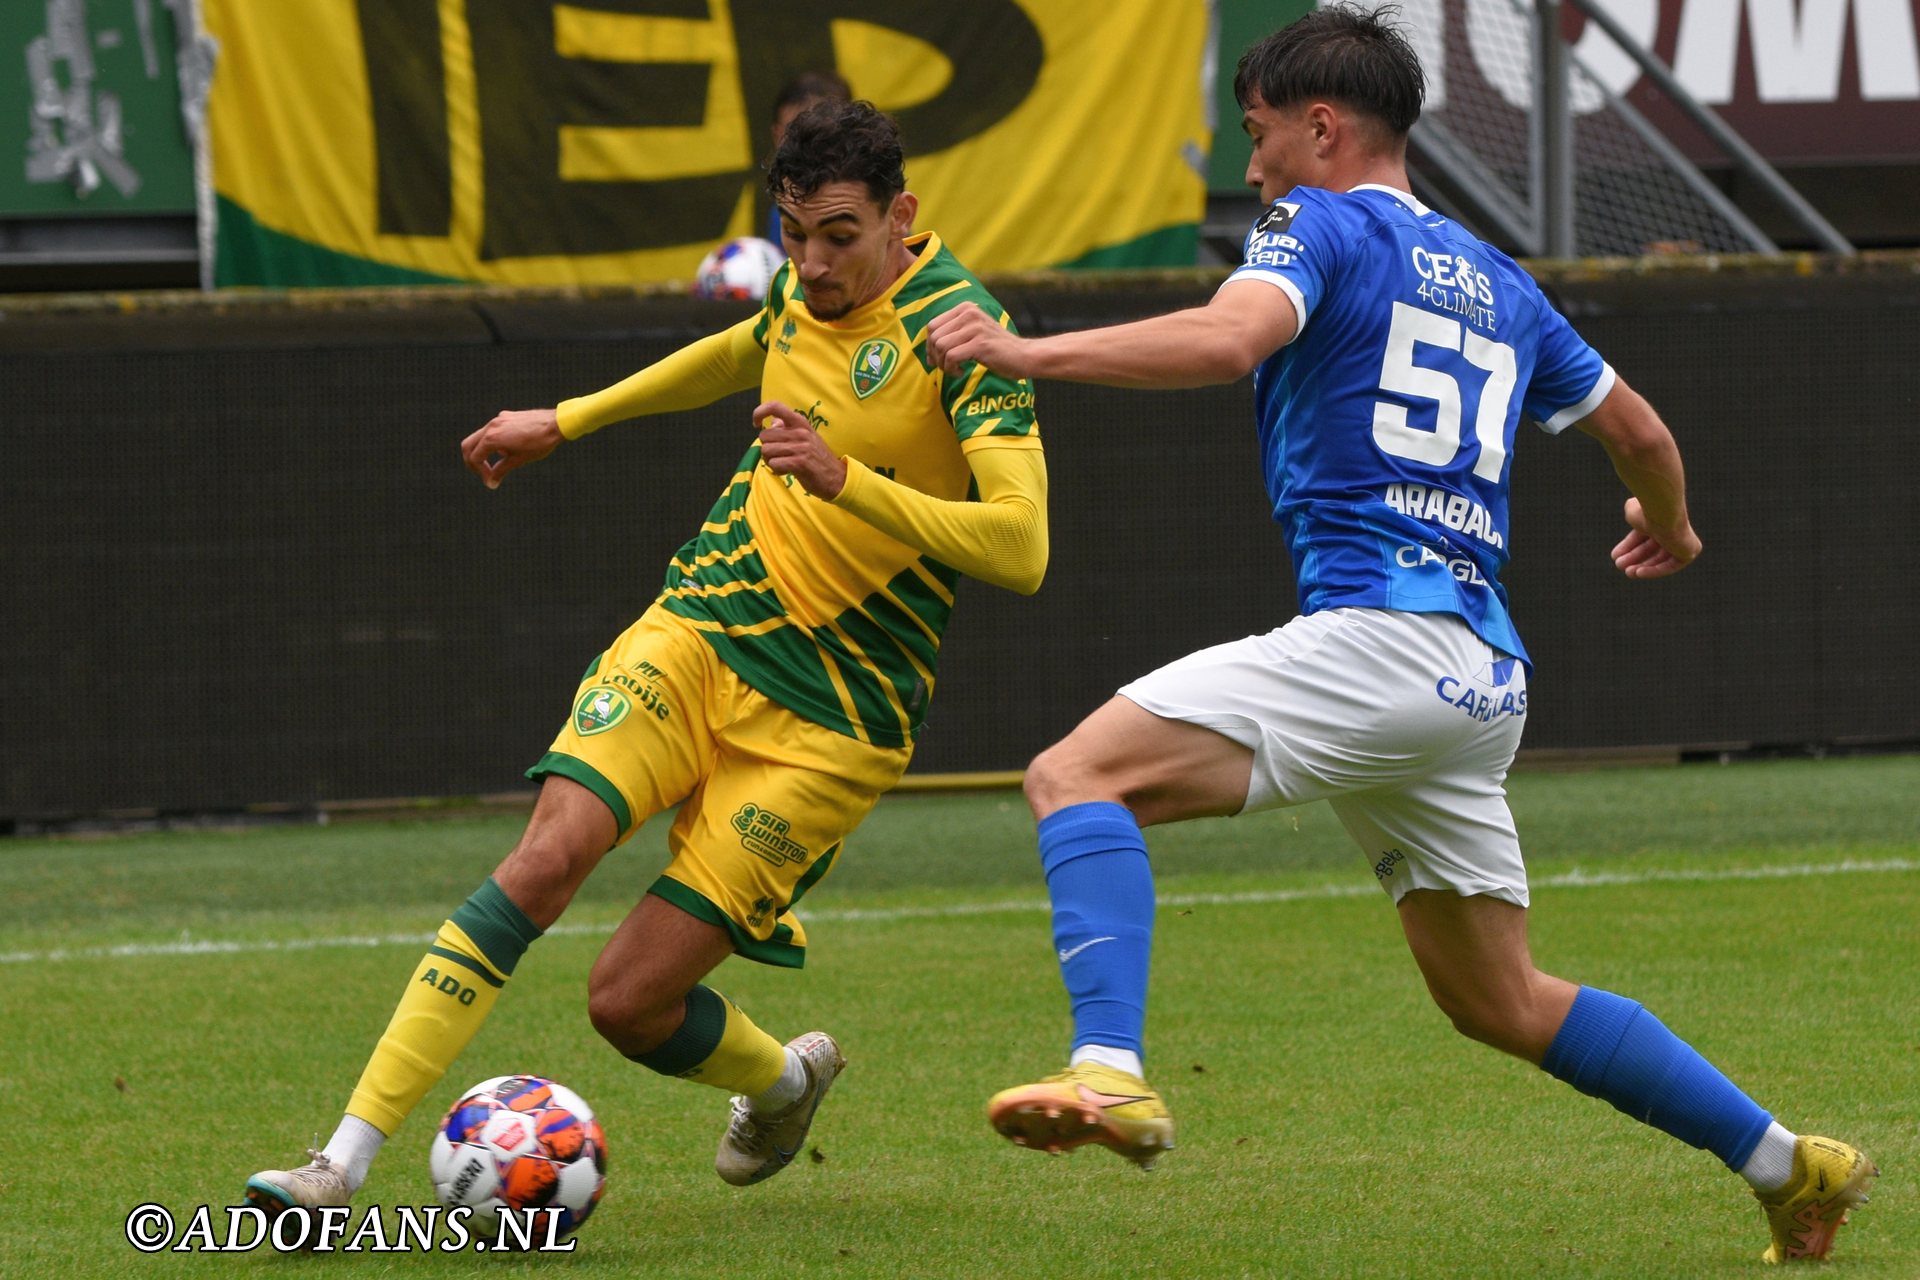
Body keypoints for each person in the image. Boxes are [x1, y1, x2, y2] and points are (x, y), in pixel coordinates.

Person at [925, 6, 1874, 1265]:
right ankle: (1788, 1161)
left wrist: (1025, 348)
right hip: (1481, 674)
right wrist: (1677, 527)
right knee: (1501, 998)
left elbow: (1227, 338)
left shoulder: (1317, 223)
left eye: (1258, 135)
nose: (1251, 165)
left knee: (1074, 773)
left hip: (1381, 639)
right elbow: (1641, 435)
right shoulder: (1503, 279)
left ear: (1322, 128)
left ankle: (1109, 1070)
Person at [245, 98, 1048, 1212]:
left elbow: (1023, 546)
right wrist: (562, 419)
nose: (812, 264)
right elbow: (738, 348)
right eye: (795, 234)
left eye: (840, 235)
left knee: (626, 1003)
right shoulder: (797, 291)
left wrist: (844, 480)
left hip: (834, 719)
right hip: (701, 628)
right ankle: (339, 1161)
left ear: (903, 215)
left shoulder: (965, 334)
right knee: (542, 858)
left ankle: (782, 1077)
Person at [766, 71, 852, 245]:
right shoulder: (779, 214)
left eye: (820, 136)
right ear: (776, 136)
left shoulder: (876, 200)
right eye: (792, 135)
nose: (806, 149)